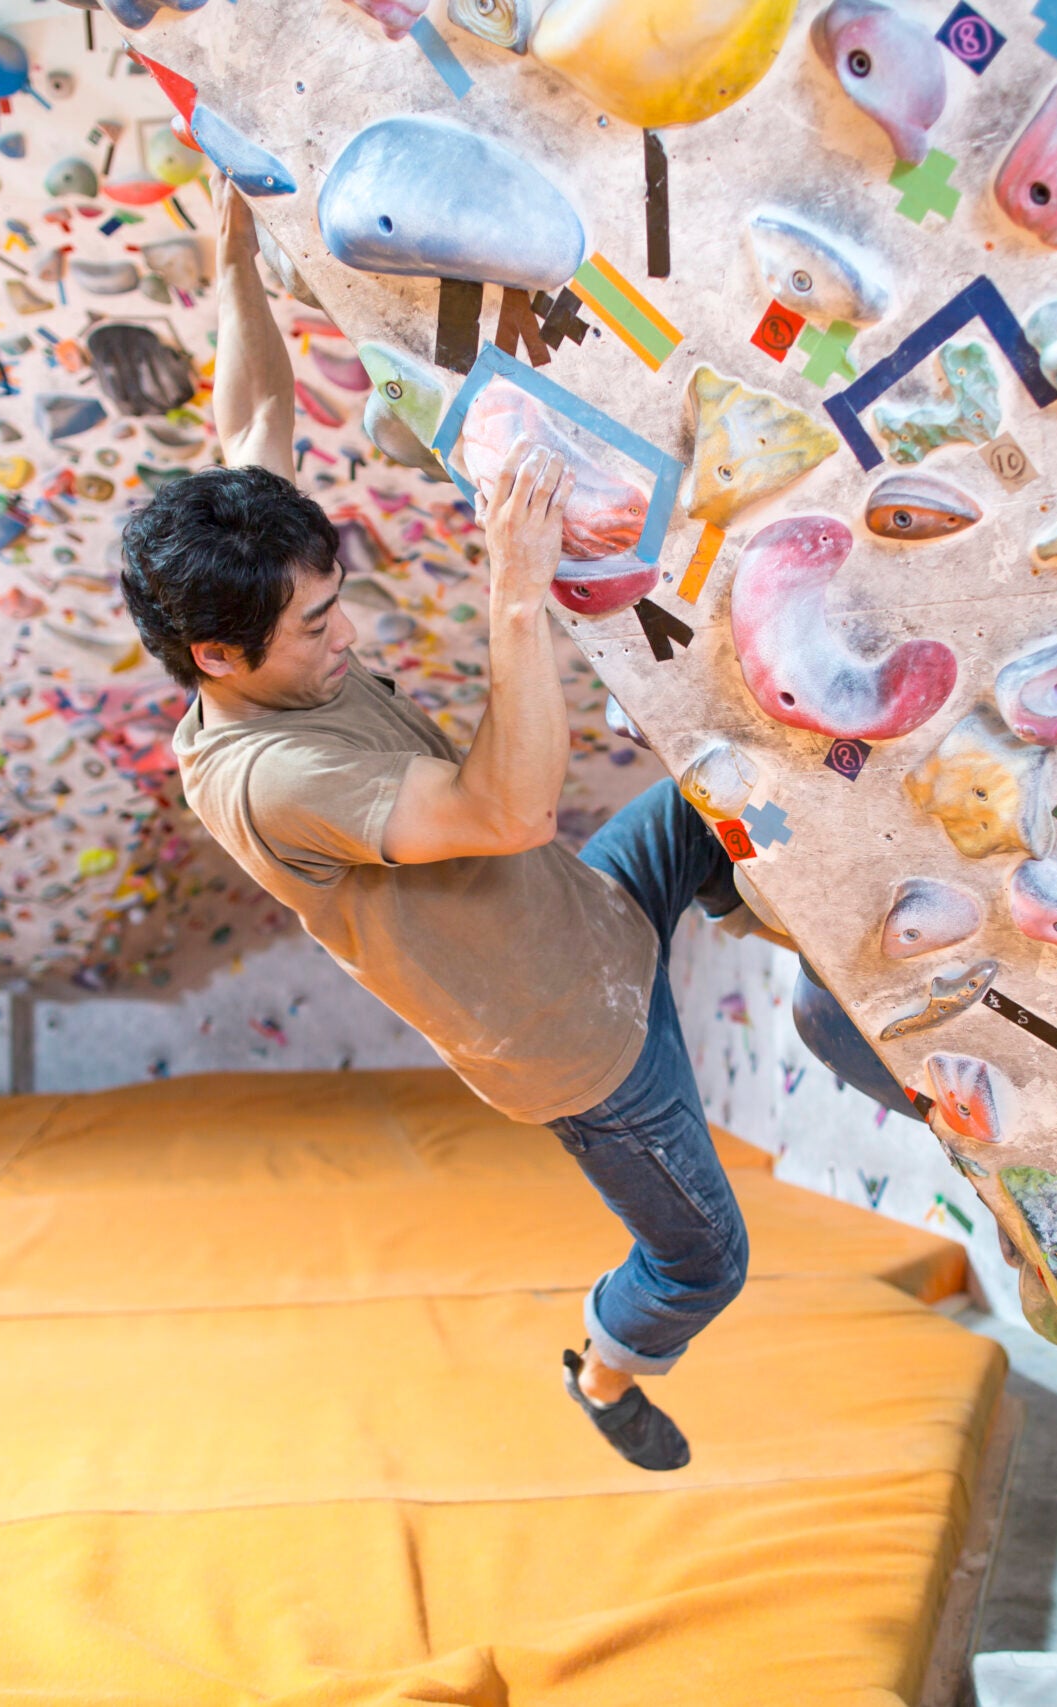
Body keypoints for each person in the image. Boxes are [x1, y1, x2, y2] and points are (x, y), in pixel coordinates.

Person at [119, 179, 749, 1472]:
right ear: (217, 658)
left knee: (722, 802)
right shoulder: (268, 778)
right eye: (315, 628)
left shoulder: (247, 590)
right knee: (703, 1260)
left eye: (333, 600)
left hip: (597, 915)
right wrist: (512, 595)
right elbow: (504, 810)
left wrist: (238, 259)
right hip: (576, 1045)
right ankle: (604, 1366)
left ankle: (804, 976)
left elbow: (254, 415)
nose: (342, 632)